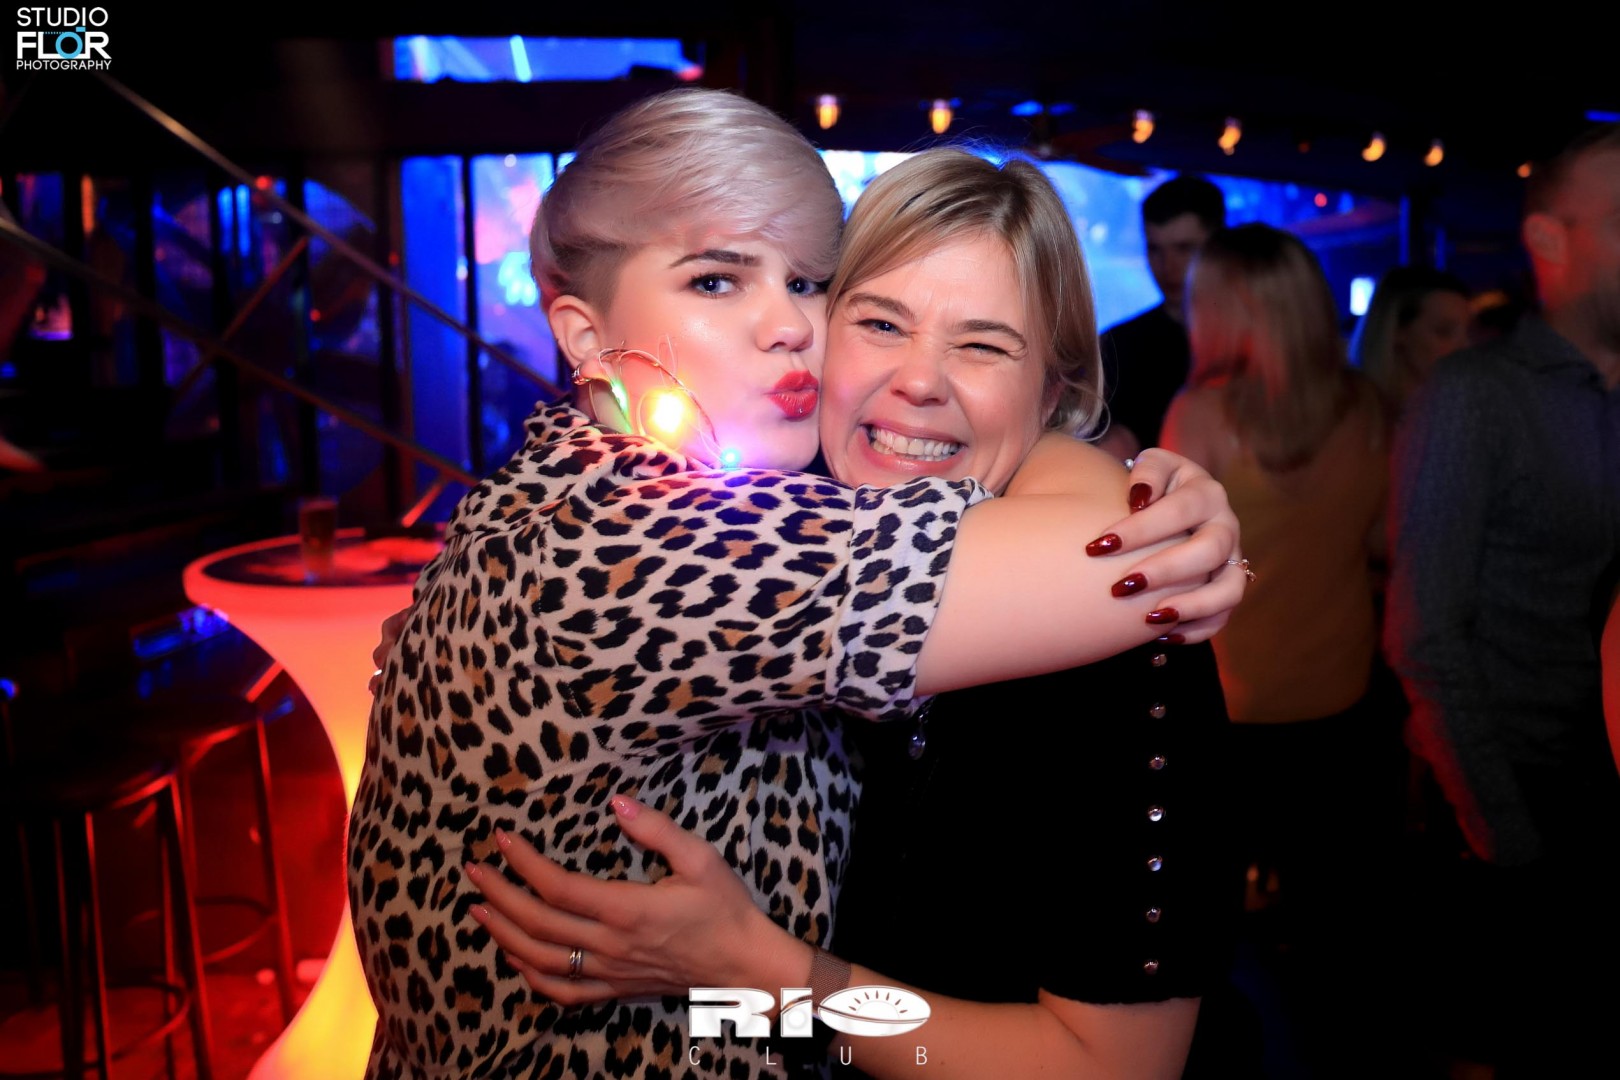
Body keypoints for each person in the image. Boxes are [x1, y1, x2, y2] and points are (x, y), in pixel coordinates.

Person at [348, 91, 1245, 1080]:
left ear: (1056, 389)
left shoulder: (1120, 661)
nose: (918, 380)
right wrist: (762, 985)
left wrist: (773, 979)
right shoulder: (701, 545)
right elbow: (689, 1019)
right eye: (879, 321)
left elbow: (1111, 1072)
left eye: (984, 344)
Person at [1384, 123, 1620, 1078]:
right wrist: (1505, 835)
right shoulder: (1475, 394)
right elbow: (1424, 634)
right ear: (1551, 241)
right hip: (1525, 799)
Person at [1160, 223, 1400, 1077]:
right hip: (1341, 694)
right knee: (1339, 927)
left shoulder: (1201, 416)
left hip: (1233, 704)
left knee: (1204, 926)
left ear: (1222, 312)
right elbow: (1381, 545)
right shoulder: (1367, 408)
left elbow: (1168, 569)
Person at [1095, 174, 1227, 460]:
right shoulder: (1118, 345)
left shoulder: (1250, 341)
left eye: (1184, 249)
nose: (1168, 266)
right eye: (1155, 249)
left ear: (1218, 248)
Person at [1348, 264, 1472, 412]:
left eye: (1468, 332)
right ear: (1397, 331)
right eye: (1444, 331)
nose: (1465, 347)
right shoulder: (1358, 414)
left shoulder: (1458, 411)